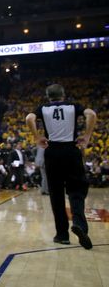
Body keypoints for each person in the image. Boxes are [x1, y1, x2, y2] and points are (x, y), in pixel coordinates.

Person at [26, 83, 97, 250]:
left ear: (48, 96)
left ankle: (62, 235)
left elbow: (29, 118)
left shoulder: (42, 108)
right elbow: (92, 114)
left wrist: (37, 137)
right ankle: (79, 223)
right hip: (71, 150)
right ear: (63, 95)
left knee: (56, 195)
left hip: (52, 152)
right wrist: (86, 136)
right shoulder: (73, 106)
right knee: (77, 190)